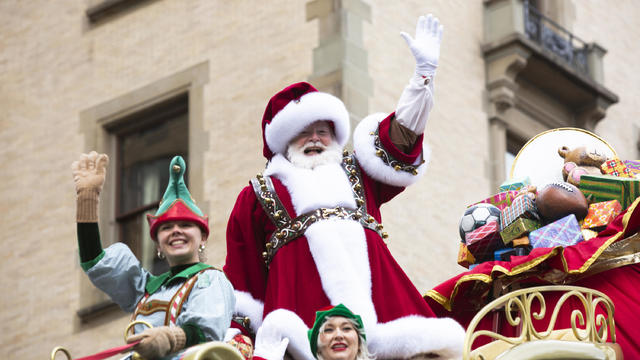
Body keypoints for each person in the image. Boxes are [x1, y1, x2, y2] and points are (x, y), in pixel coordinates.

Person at [224, 14, 465, 359]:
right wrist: (238, 337)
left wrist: (422, 76)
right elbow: (241, 276)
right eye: (303, 133)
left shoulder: (357, 172)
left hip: (385, 314)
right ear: (285, 142)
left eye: (322, 131)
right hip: (301, 320)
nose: (315, 139)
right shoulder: (257, 195)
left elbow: (401, 138)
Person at [72, 152, 239, 360]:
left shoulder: (210, 279)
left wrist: (169, 339)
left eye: (185, 225)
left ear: (203, 237)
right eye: (166, 228)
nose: (176, 231)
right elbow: (95, 262)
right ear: (157, 243)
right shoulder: (144, 289)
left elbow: (205, 331)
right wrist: (87, 198)